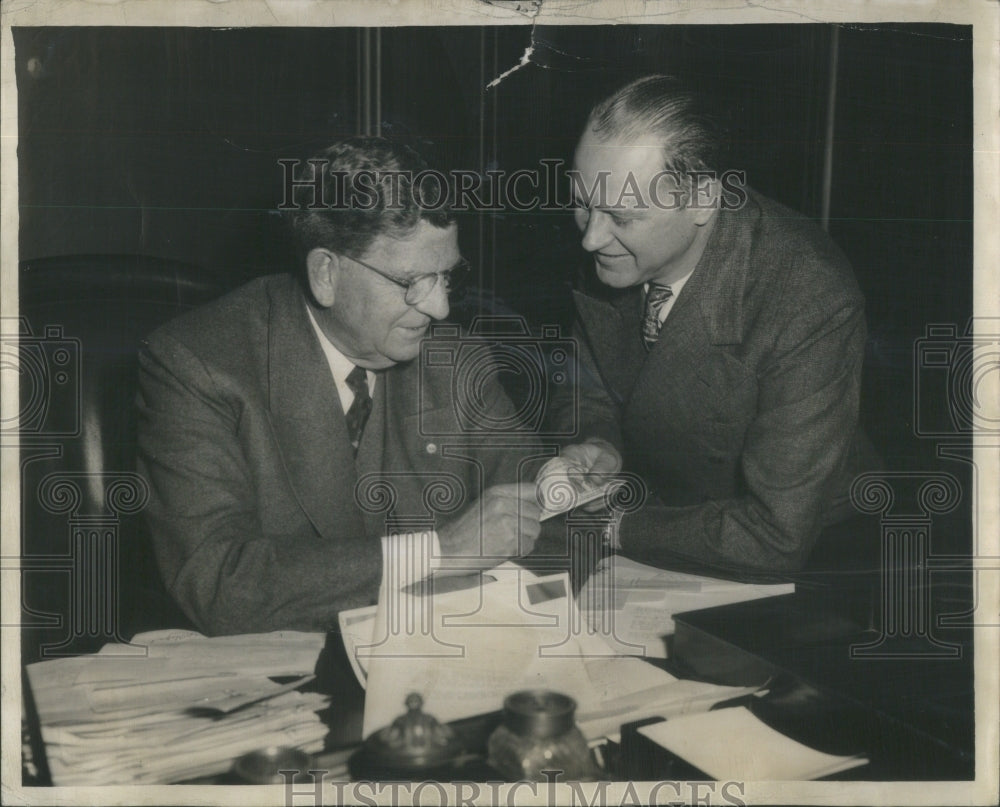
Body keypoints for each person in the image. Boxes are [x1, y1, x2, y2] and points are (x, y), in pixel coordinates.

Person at [136, 137, 542, 636]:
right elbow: (220, 583)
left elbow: (534, 512)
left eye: (447, 278)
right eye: (413, 282)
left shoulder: (455, 362)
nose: (440, 309)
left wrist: (566, 485)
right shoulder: (197, 365)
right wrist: (438, 552)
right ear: (326, 273)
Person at [551, 75, 876, 575]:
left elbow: (777, 535)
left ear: (703, 198)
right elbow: (591, 381)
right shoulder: (617, 241)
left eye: (621, 215)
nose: (591, 238)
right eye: (582, 201)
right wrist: (599, 444)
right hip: (665, 518)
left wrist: (618, 525)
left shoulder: (810, 296)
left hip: (816, 556)